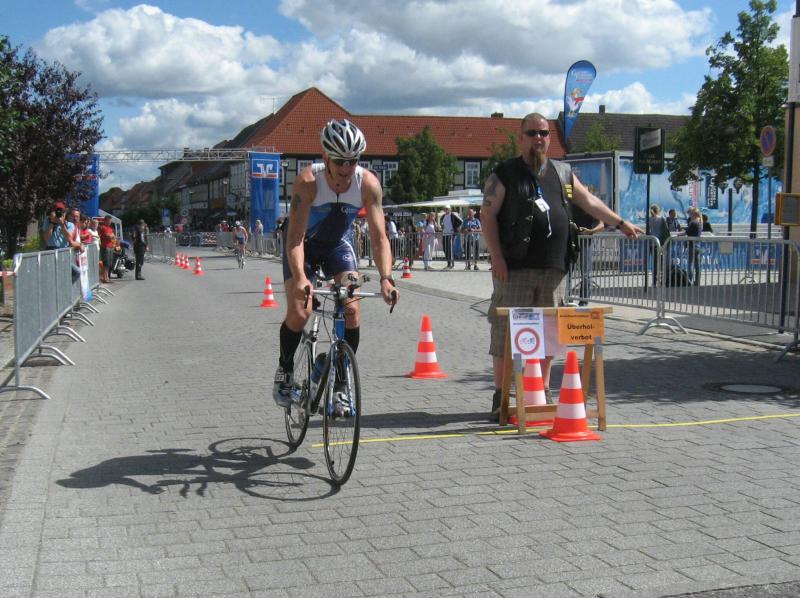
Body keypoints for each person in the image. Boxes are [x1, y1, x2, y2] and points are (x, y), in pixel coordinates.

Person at [481, 113, 642, 421]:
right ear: (521, 137)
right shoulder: (504, 173)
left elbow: (589, 202)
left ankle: (540, 391)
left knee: (548, 333)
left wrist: (620, 222)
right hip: (514, 268)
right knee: (505, 332)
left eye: (543, 133)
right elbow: (487, 215)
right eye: (532, 133)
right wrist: (497, 257)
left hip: (555, 268)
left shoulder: (563, 172)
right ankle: (502, 396)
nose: (538, 138)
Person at [272, 119, 399, 409]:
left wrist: (386, 278)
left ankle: (340, 382)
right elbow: (295, 239)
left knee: (351, 308)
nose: (346, 168)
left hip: (337, 246)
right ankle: (285, 370)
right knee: (301, 311)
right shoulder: (308, 182)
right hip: (303, 246)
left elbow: (380, 238)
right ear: (326, 157)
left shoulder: (367, 184)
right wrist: (301, 279)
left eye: (353, 160)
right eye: (340, 161)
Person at [571, 203, 604, 304]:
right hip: (571, 241)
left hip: (586, 242)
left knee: (586, 274)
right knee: (567, 273)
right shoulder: (571, 204)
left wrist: (590, 231)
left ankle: (583, 301)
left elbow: (601, 225)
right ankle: (567, 300)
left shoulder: (591, 206)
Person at [648, 204, 671, 285]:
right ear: (658, 210)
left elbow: (648, 231)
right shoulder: (662, 219)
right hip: (660, 243)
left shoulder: (649, 219)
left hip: (652, 242)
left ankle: (654, 281)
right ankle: (662, 280)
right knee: (662, 262)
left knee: (655, 263)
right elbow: (666, 231)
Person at [682, 207, 702, 286]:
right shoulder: (700, 221)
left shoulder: (693, 222)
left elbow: (687, 232)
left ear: (693, 214)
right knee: (697, 265)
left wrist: (679, 234)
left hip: (691, 245)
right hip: (697, 245)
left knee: (690, 264)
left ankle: (689, 280)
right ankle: (697, 281)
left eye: (690, 214)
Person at [98, 215, 117, 282]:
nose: (110, 222)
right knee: (105, 263)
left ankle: (107, 277)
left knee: (109, 263)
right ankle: (104, 278)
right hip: (105, 247)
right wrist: (111, 236)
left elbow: (113, 236)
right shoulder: (103, 227)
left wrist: (111, 236)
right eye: (109, 221)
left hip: (110, 246)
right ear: (105, 220)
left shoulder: (110, 228)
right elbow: (108, 236)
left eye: (110, 221)